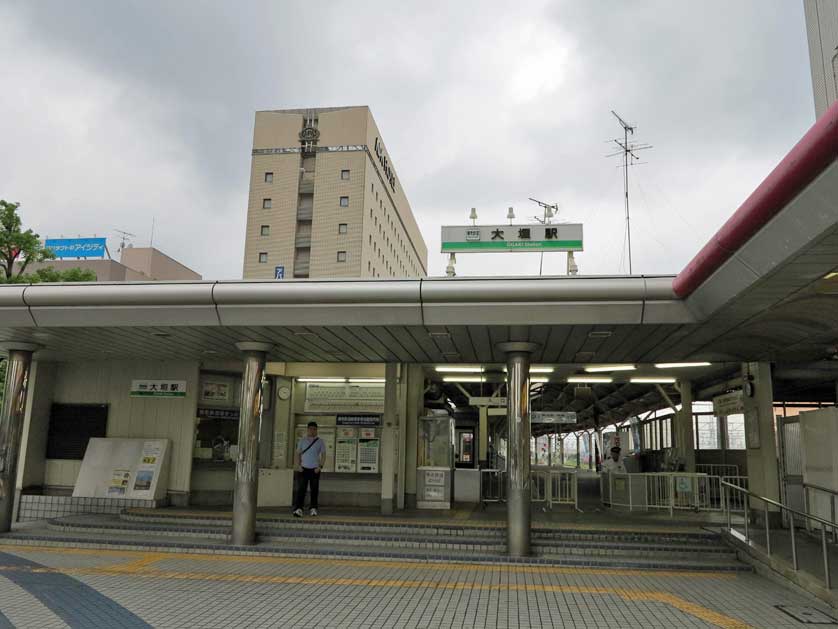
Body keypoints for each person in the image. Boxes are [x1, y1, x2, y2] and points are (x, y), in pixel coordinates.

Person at [292, 421, 326, 517]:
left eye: (314, 429)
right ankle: (298, 509)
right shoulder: (302, 440)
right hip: (303, 469)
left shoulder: (320, 441)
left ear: (317, 430)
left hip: (315, 469)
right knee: (301, 489)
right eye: (310, 429)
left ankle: (313, 508)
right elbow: (297, 454)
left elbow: (323, 455)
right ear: (307, 429)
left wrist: (320, 467)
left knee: (314, 490)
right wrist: (298, 466)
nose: (312, 431)